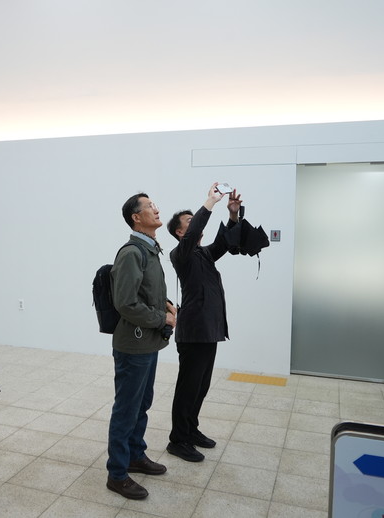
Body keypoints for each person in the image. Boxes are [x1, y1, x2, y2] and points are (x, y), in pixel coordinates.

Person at [106, 193, 177, 500]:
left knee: (142, 404)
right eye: (149, 207)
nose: (156, 209)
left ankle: (135, 455)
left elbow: (147, 291)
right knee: (127, 409)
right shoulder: (132, 253)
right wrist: (162, 318)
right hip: (133, 346)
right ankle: (117, 474)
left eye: (154, 205)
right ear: (136, 217)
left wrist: (167, 304)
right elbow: (125, 302)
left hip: (147, 343)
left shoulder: (150, 249)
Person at [165, 183, 242, 462]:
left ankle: (191, 430)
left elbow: (223, 243)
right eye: (189, 221)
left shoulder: (204, 254)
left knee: (201, 386)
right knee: (188, 388)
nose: (195, 223)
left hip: (209, 330)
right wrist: (209, 202)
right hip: (193, 333)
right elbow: (195, 230)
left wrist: (232, 214)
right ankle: (178, 440)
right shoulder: (180, 255)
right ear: (180, 233)